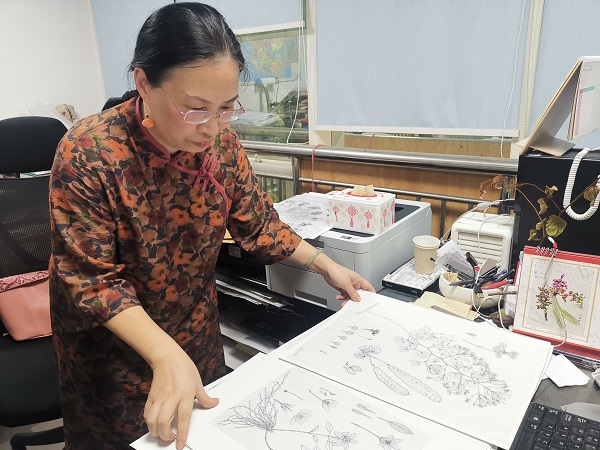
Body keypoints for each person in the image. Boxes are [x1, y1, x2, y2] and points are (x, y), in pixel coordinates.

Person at [49, 3, 375, 450]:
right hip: (114, 352)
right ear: (143, 83)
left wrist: (326, 265)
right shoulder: (89, 153)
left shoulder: (221, 145)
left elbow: (258, 223)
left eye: (226, 108)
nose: (212, 128)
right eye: (195, 109)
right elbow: (92, 281)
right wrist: (164, 355)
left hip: (194, 332)